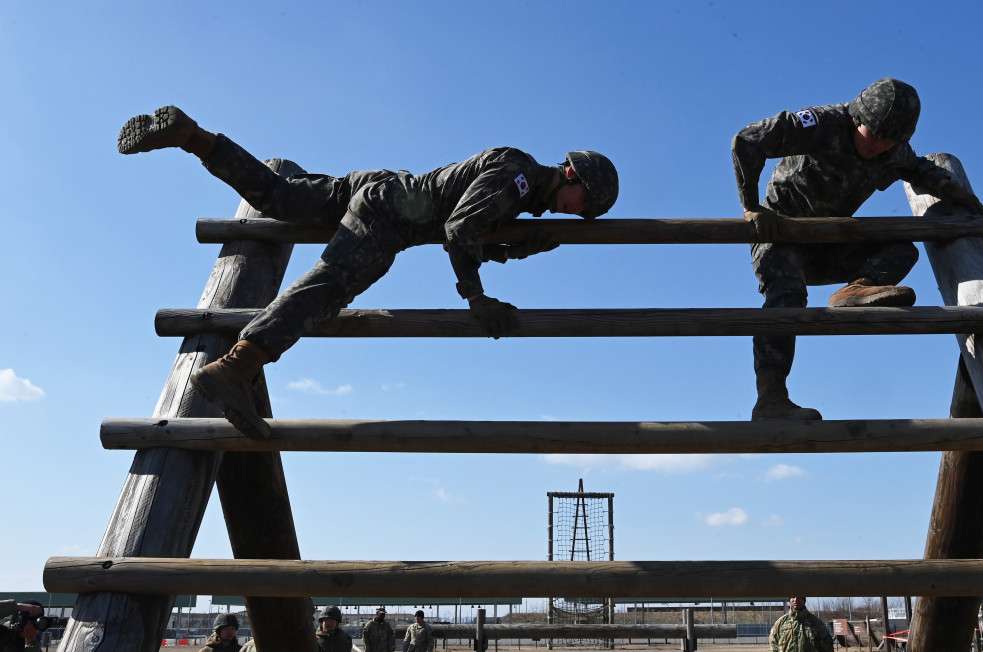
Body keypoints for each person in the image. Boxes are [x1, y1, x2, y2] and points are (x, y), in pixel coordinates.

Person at [116, 106, 619, 439]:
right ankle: (235, 366)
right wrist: (476, 298)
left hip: (381, 187)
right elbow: (459, 228)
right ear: (572, 173)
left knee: (278, 195)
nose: (578, 213)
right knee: (332, 283)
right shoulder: (520, 177)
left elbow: (467, 230)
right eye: (584, 203)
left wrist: (511, 250)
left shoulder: (520, 183)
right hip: (390, 214)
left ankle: (194, 137)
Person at [732, 77, 983, 421]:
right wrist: (751, 205)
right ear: (856, 118)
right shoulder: (820, 124)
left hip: (829, 245)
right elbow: (747, 140)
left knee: (903, 248)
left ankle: (857, 288)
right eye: (875, 135)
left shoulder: (893, 149)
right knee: (786, 295)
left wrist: (947, 186)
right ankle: (771, 399)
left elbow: (917, 167)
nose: (880, 145)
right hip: (781, 233)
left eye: (890, 140)